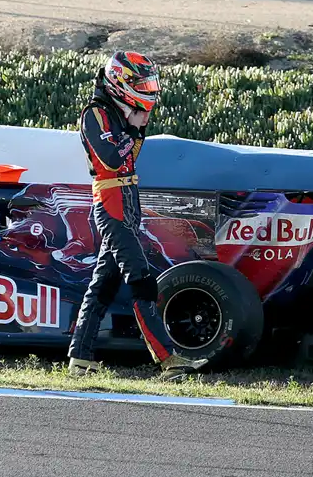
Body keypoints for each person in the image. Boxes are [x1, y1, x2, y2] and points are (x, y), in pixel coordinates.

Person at [67, 50, 209, 382]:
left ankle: (79, 359)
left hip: (128, 201)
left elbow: (131, 157)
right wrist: (133, 129)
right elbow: (113, 159)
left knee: (102, 286)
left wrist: (137, 128)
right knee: (141, 280)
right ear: (120, 84)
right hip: (111, 205)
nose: (149, 93)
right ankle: (168, 359)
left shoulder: (123, 114)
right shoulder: (95, 113)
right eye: (143, 86)